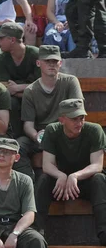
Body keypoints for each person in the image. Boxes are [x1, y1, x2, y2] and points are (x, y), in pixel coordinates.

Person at [35, 99, 106, 240]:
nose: (79, 123)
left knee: (99, 179)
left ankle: (104, 233)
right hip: (60, 184)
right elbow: (47, 164)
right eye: (74, 119)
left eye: (82, 118)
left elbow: (97, 165)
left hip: (85, 182)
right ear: (62, 119)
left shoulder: (94, 130)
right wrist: (61, 176)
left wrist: (75, 176)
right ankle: (36, 233)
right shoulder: (52, 130)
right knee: (43, 179)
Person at [15, 45, 83, 180]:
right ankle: (27, 182)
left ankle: (76, 180)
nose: (51, 64)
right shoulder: (30, 90)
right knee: (19, 146)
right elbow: (28, 125)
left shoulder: (70, 81)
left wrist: (60, 132)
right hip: (41, 136)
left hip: (65, 132)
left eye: (55, 61)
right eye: (47, 61)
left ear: (61, 63)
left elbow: (77, 112)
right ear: (38, 63)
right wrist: (36, 136)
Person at [0, 22, 40, 138]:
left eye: (1, 38)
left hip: (37, 97)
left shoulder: (36, 54)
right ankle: (13, 138)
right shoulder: (1, 59)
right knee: (9, 101)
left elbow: (42, 86)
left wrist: (18, 87)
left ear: (12, 40)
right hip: (18, 97)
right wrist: (28, 88)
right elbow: (6, 89)